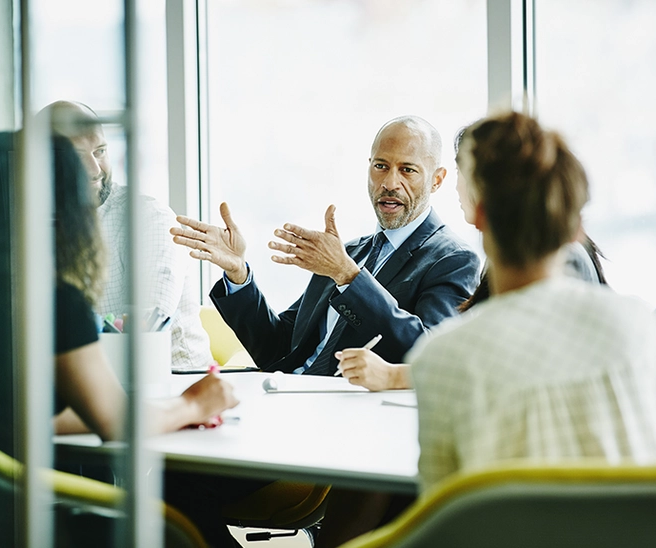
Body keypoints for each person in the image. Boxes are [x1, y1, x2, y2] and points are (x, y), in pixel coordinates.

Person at [0, 131, 237, 459]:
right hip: (22, 496)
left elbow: (3, 415)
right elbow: (114, 422)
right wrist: (193, 404)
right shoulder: (53, 301)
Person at [410, 111, 656, 490]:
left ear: (480, 215)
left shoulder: (442, 359)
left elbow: (441, 507)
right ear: (576, 227)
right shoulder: (638, 324)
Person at [171, 116, 480, 376]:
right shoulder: (348, 253)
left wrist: (348, 276)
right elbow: (277, 348)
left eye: (407, 170)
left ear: (437, 180)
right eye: (381, 166)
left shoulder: (453, 259)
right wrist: (239, 274)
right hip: (290, 395)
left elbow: (429, 354)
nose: (389, 183)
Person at [336, 127, 608, 392]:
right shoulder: (512, 256)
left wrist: (392, 376)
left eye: (461, 172)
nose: (457, 187)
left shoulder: (559, 258)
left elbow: (515, 366)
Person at [41, 101, 215, 372]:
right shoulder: (30, 222)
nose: (95, 169)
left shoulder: (148, 219)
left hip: (175, 383)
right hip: (80, 383)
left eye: (100, 151)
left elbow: (143, 334)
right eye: (76, 156)